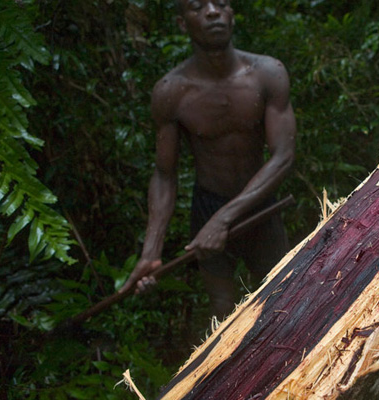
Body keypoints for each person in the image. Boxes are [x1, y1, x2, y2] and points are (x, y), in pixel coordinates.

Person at [119, 0, 296, 321]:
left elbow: (282, 156)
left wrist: (224, 219)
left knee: (281, 298)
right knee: (221, 308)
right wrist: (151, 251)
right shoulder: (171, 92)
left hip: (260, 206)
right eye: (197, 7)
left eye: (222, 3)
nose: (213, 11)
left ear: (231, 14)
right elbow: (164, 175)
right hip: (207, 205)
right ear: (182, 24)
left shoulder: (267, 74)